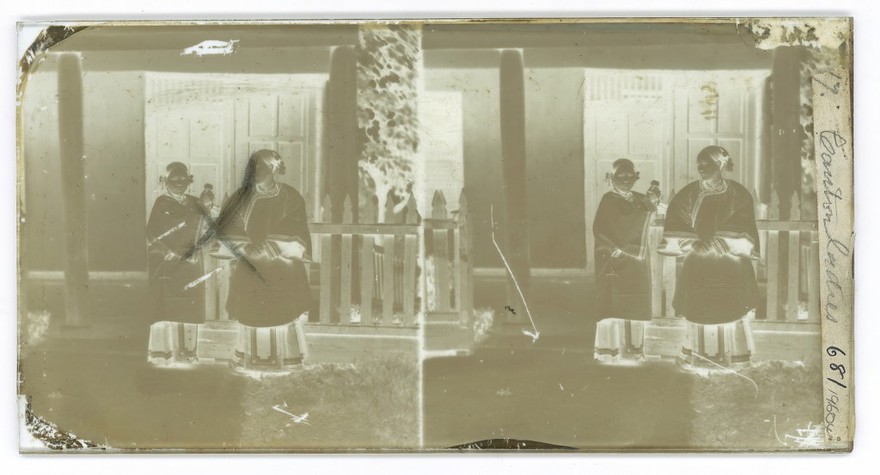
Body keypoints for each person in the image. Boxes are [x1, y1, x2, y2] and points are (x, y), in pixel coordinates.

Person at [659, 145, 759, 370]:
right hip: (699, 258)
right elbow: (676, 216)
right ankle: (697, 357)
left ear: (721, 165)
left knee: (729, 301)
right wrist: (693, 242)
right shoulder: (689, 193)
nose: (701, 167)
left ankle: (734, 358)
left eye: (707, 163)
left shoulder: (738, 193)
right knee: (700, 301)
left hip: (729, 259)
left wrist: (722, 240)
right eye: (699, 163)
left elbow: (744, 220)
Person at [213, 149, 312, 372]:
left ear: (275, 168)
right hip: (250, 261)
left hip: (280, 263)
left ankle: (286, 361)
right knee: (252, 305)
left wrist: (273, 244)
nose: (255, 171)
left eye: (261, 166)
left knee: (281, 306)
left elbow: (295, 223)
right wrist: (246, 246)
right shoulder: (241, 196)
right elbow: (229, 222)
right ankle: (249, 361)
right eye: (252, 166)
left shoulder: (290, 196)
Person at [592, 159, 657, 362]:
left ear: (636, 177)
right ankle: (610, 351)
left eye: (630, 175)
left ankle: (633, 350)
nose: (626, 180)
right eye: (621, 176)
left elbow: (650, 217)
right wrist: (617, 247)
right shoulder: (608, 200)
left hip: (637, 260)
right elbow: (602, 228)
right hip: (615, 258)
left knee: (635, 300)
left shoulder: (639, 198)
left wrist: (653, 202)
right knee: (614, 302)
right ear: (612, 179)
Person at [146, 162, 207, 366]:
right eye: (174, 180)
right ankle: (163, 354)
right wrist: (167, 251)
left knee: (188, 303)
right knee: (166, 304)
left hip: (190, 261)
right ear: (166, 182)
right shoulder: (161, 203)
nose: (179, 184)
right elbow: (152, 233)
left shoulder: (196, 202)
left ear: (189, 181)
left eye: (183, 180)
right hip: (168, 263)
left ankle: (187, 353)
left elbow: (203, 229)